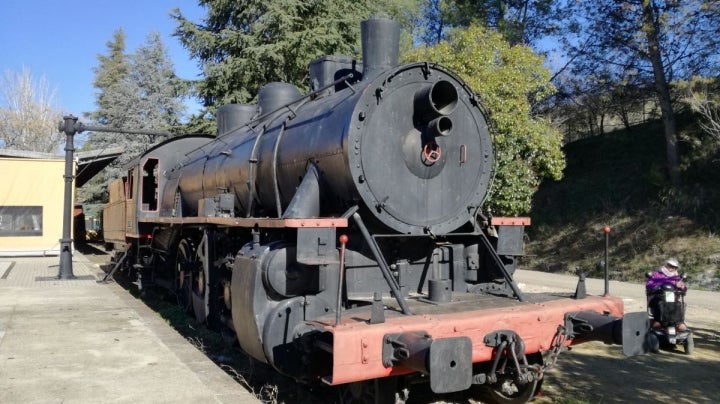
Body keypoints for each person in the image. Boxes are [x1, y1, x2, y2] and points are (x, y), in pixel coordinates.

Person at [646, 258, 687, 331]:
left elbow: (683, 288)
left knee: (679, 304)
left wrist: (682, 287)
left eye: (675, 267)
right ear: (666, 265)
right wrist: (659, 286)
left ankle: (678, 323)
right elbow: (649, 284)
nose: (673, 268)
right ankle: (658, 321)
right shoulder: (657, 274)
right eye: (671, 266)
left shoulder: (677, 277)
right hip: (658, 297)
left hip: (673, 299)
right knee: (659, 304)